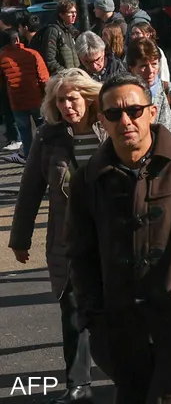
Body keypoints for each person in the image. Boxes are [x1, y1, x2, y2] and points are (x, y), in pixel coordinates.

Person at [68, 72, 171, 403]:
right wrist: (93, 313)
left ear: (151, 111)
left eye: (134, 110)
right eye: (114, 114)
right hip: (120, 331)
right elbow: (80, 253)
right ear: (102, 120)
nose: (125, 121)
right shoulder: (88, 180)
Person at [10, 68, 103, 403]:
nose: (67, 106)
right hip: (69, 237)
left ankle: (132, 373)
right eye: (60, 100)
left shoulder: (109, 126)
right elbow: (30, 188)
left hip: (115, 235)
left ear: (87, 97)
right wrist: (20, 239)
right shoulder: (48, 137)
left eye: (72, 98)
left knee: (122, 307)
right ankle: (78, 384)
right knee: (73, 309)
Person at [129, 38, 171, 146]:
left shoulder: (170, 90)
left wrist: (167, 151)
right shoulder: (124, 96)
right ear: (132, 68)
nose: (150, 71)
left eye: (154, 64)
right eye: (143, 66)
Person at [1, 28, 49, 159]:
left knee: (25, 132)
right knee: (43, 129)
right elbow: (43, 77)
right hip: (36, 99)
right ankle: (46, 156)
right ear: (17, 39)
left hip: (17, 101)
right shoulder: (32, 54)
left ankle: (29, 159)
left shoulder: (2, 58)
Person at [39, 0, 80, 75]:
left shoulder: (70, 31)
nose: (74, 15)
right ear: (61, 15)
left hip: (74, 77)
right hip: (62, 79)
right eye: (70, 12)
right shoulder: (53, 31)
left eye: (75, 12)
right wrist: (65, 73)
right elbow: (49, 60)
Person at [126, 21, 171, 87]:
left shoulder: (156, 51)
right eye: (132, 34)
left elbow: (163, 73)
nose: (134, 36)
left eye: (137, 33)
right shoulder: (131, 51)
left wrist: (162, 89)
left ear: (147, 34)